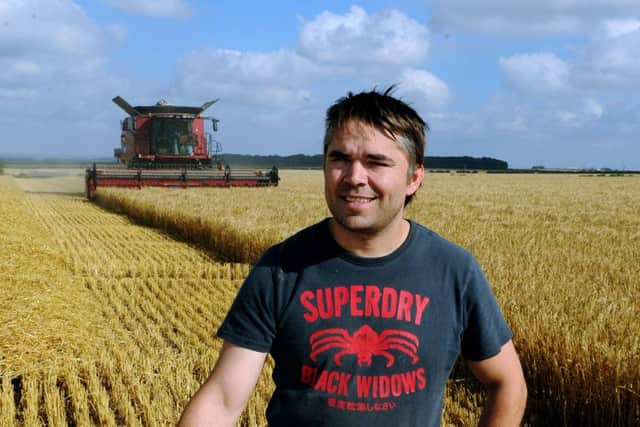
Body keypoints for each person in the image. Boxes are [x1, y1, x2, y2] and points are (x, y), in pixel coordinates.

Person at [178, 87, 527, 426]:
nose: (354, 177)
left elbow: (507, 383)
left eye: (376, 162)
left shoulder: (453, 271)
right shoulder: (281, 269)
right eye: (340, 159)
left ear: (413, 178)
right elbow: (222, 400)